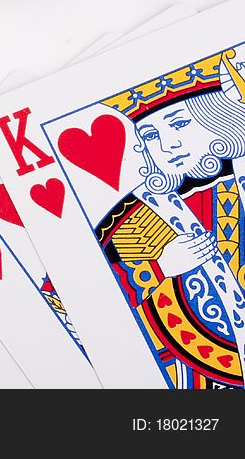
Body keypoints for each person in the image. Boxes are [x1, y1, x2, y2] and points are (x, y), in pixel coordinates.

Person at [97, 50, 245, 388]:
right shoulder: (141, 220)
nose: (168, 144)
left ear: (217, 119)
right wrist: (157, 268)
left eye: (179, 124)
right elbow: (71, 310)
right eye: (150, 135)